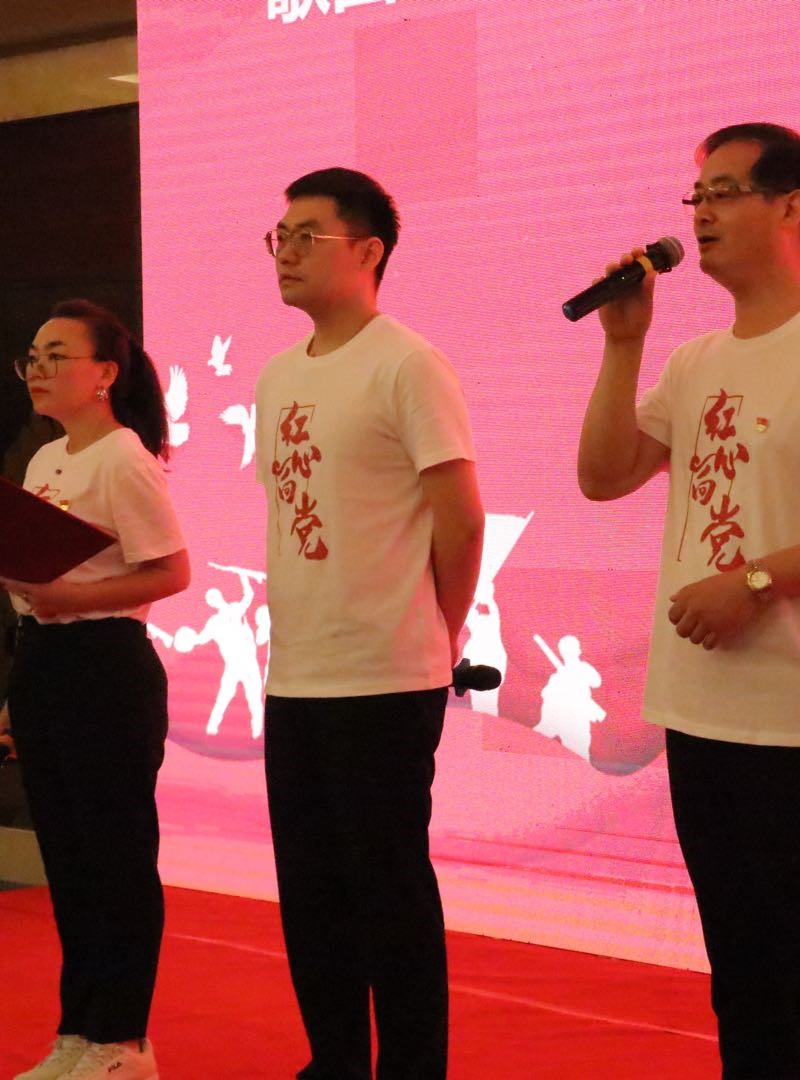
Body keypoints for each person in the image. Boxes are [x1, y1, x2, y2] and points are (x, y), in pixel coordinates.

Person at [577, 123, 800, 1077]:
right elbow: (603, 475)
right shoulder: (695, 361)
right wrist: (624, 344)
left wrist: (754, 582)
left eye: (724, 192)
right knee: (742, 972)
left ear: (791, 206)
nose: (701, 213)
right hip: (700, 710)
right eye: (696, 196)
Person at [255, 167, 483, 1080]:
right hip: (296, 673)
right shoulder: (277, 376)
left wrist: (437, 631)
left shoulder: (407, 364)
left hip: (387, 675)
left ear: (368, 251)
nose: (285, 251)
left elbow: (461, 520)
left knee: (389, 893)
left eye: (305, 235)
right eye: (278, 235)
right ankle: (336, 1063)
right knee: (310, 896)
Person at [0, 299, 190, 1080]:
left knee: (115, 861)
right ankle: (78, 1032)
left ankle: (124, 1041)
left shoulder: (124, 458)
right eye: (32, 357)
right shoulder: (45, 461)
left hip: (107, 667)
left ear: (105, 373)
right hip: (44, 664)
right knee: (69, 862)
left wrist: (71, 599)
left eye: (57, 356)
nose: (37, 370)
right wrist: (18, 690)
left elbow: (171, 572)